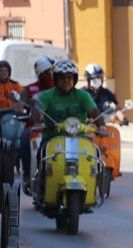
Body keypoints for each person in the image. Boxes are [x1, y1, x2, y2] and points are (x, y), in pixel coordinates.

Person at [31, 59, 105, 199]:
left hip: (80, 137)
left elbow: (95, 112)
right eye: (62, 78)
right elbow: (38, 110)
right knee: (41, 154)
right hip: (53, 136)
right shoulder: (47, 95)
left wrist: (102, 126)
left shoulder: (83, 95)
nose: (67, 81)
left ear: (75, 79)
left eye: (70, 77)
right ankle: (40, 185)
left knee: (95, 155)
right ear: (56, 79)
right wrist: (36, 122)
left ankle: (95, 186)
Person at [19, 55, 55, 188]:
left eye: (51, 72)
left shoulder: (60, 89)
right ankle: (28, 176)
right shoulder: (29, 89)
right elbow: (21, 106)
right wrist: (22, 112)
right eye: (46, 73)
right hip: (35, 128)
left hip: (56, 126)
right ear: (40, 74)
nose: (50, 75)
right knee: (24, 138)